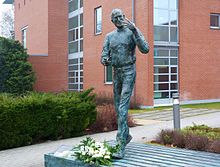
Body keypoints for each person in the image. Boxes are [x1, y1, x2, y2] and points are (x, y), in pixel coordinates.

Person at [101, 8, 149, 158]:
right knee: (118, 108)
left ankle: (120, 144)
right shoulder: (109, 37)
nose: (121, 19)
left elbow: (145, 49)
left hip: (129, 71)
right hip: (116, 73)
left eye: (122, 16)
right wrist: (105, 60)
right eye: (117, 17)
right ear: (113, 21)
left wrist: (136, 31)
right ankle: (126, 135)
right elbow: (104, 55)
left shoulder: (131, 32)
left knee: (122, 109)